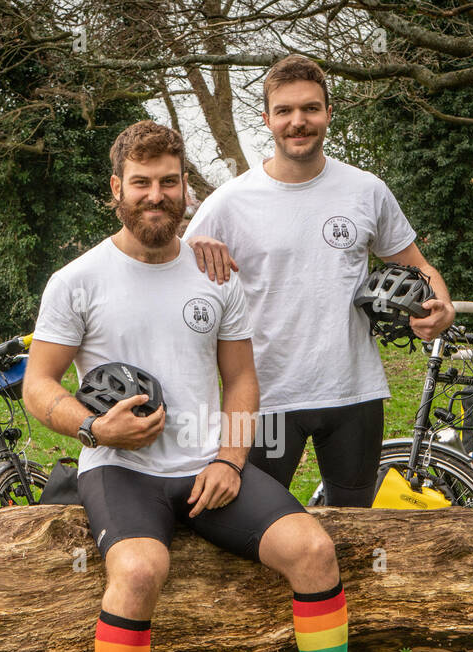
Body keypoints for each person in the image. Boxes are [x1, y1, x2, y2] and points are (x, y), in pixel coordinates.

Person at [23, 120, 387, 652]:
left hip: (206, 468)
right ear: (116, 191)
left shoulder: (215, 272)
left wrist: (230, 456)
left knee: (313, 549)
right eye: (141, 183)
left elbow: (243, 381)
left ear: (185, 187)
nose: (155, 196)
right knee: (137, 572)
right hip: (119, 469)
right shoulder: (78, 280)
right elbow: (39, 386)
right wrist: (97, 427)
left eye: (168, 181)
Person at [185, 54, 456, 506]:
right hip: (260, 397)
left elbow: (418, 265)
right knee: (248, 524)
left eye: (310, 108)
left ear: (329, 113)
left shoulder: (366, 190)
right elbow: (169, 272)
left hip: (353, 392)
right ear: (267, 119)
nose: (299, 121)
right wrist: (189, 248)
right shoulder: (229, 203)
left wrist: (441, 307)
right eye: (286, 111)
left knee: (353, 524)